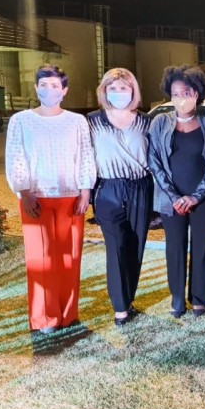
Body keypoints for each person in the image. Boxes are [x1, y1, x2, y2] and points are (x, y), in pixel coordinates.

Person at [5, 64, 97, 334]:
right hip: (37, 199)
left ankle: (68, 313)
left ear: (64, 90)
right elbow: (16, 156)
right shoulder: (21, 120)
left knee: (69, 257)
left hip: (71, 198)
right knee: (41, 260)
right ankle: (45, 317)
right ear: (36, 88)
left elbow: (85, 155)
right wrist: (24, 191)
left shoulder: (77, 121)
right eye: (44, 85)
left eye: (55, 85)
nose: (49, 90)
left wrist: (85, 190)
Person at [148, 65, 205, 319]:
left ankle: (200, 299)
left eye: (186, 93)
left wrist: (196, 196)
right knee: (175, 248)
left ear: (197, 94)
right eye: (176, 93)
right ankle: (177, 299)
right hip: (171, 200)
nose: (181, 98)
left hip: (202, 199)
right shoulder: (160, 123)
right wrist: (175, 197)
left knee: (202, 247)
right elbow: (154, 161)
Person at [88, 68, 153, 327]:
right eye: (112, 88)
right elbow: (84, 158)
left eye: (124, 88)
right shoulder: (92, 121)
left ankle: (128, 299)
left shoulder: (146, 122)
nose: (118, 92)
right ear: (104, 91)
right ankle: (120, 309)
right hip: (108, 189)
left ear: (133, 91)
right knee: (116, 246)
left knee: (135, 247)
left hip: (140, 187)